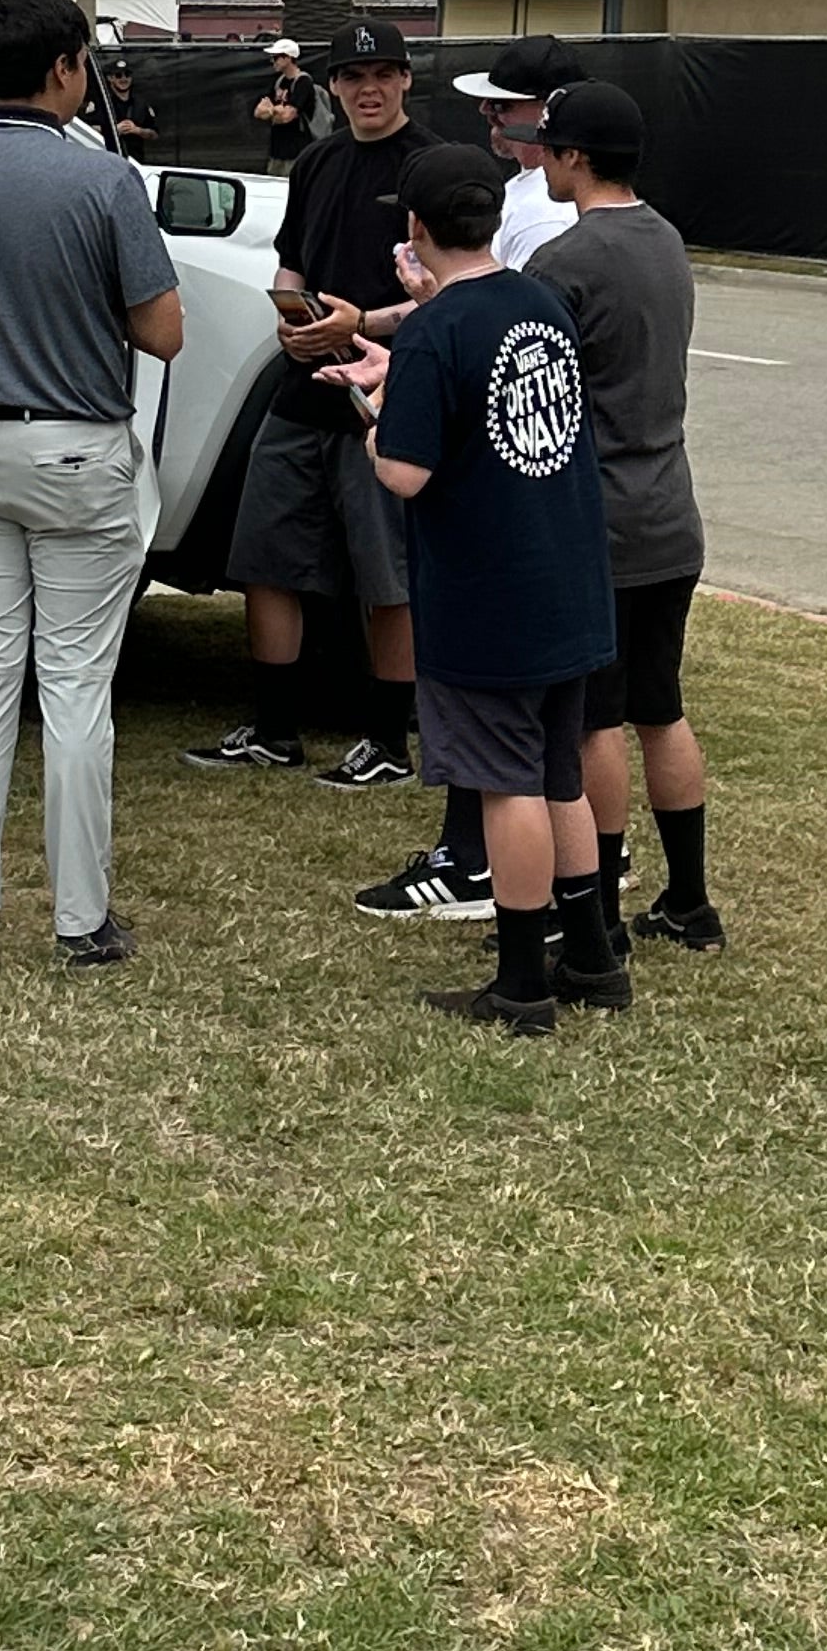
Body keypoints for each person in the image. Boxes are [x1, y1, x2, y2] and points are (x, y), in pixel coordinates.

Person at [0, 0, 185, 971]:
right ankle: (79, 919)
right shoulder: (104, 182)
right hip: (73, 450)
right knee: (73, 685)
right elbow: (164, 332)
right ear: (65, 69)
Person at [354, 144, 622, 1033]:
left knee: (505, 786)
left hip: (486, 595)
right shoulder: (540, 304)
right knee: (560, 777)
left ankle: (521, 984)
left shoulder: (434, 332)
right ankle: (591, 955)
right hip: (570, 580)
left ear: (417, 229)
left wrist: (375, 417)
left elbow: (405, 475)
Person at [186, 14, 424, 786]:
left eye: (383, 74)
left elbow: (451, 291)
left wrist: (360, 325)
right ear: (333, 88)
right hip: (299, 391)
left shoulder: (433, 165)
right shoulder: (317, 164)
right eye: (354, 78)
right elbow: (291, 266)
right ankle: (273, 729)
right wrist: (289, 318)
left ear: (406, 80)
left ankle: (389, 740)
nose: (369, 89)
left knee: (388, 576)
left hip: (384, 395)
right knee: (265, 559)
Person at [532, 77, 723, 954]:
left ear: (574, 157)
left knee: (593, 720)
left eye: (547, 147)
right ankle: (689, 898)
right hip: (670, 511)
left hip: (598, 520)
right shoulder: (667, 241)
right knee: (661, 706)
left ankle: (599, 902)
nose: (539, 160)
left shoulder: (566, 263)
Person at [449, 33, 580, 269]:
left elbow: (524, 305)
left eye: (500, 104)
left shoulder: (547, 211)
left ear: (548, 111)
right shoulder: (530, 188)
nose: (485, 110)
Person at [253, 35, 320, 169]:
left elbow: (287, 116)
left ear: (287, 58)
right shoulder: (279, 82)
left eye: (276, 57)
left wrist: (272, 110)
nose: (273, 61)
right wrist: (274, 110)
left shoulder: (303, 82)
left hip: (296, 152)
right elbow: (259, 112)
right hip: (276, 150)